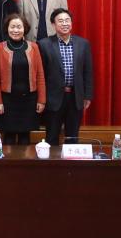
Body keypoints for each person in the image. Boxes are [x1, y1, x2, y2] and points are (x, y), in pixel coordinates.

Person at [37, 8, 94, 145]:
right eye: (60, 21)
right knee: (51, 137)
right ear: (53, 24)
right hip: (53, 98)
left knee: (72, 137)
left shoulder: (83, 44)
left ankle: (71, 159)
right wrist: (42, 98)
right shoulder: (44, 44)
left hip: (75, 97)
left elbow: (88, 71)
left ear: (71, 23)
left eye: (67, 20)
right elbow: (40, 74)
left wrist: (87, 95)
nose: (64, 24)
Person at [0, 13, 46, 145]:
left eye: (19, 27)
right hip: (7, 100)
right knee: (8, 138)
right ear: (7, 28)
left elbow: (40, 75)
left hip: (29, 100)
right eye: (12, 27)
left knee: (25, 138)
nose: (15, 30)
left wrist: (42, 100)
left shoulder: (34, 47)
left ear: (24, 28)